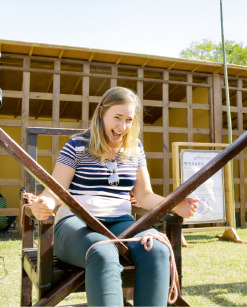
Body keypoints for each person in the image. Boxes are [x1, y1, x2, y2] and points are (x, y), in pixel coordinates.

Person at [30, 87, 199, 306]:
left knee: (156, 249)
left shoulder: (135, 148)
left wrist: (174, 204)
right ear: (102, 113)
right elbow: (55, 189)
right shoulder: (77, 145)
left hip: (120, 224)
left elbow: (145, 195)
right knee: (102, 250)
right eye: (117, 118)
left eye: (128, 120)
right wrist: (45, 203)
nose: (122, 127)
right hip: (74, 225)